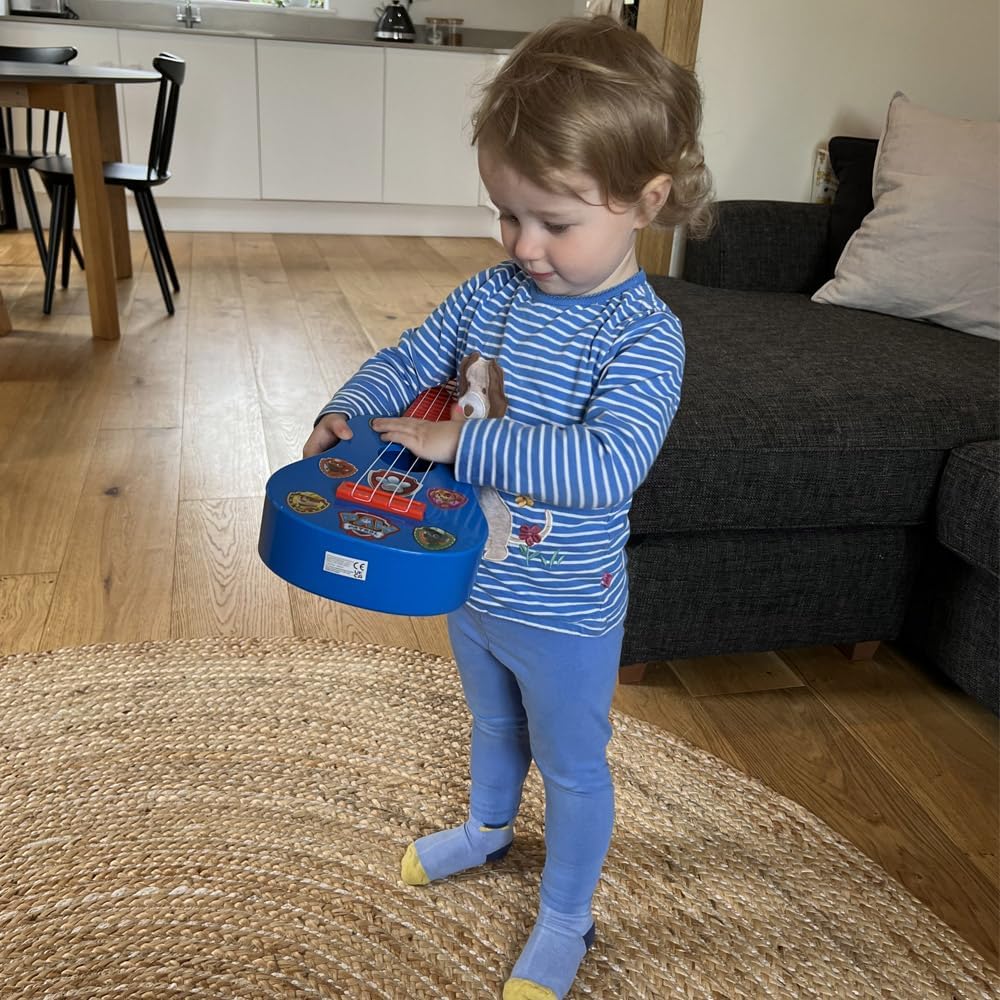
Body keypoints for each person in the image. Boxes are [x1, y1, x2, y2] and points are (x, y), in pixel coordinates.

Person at [303, 15, 713, 999]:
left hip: (567, 605)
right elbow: (413, 353)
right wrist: (353, 404)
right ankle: (488, 830)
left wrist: (460, 440)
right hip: (469, 578)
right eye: (505, 214)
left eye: (555, 222)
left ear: (644, 200)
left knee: (571, 764)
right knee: (490, 724)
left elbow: (607, 464)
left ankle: (567, 917)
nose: (523, 245)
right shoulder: (493, 293)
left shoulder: (644, 340)